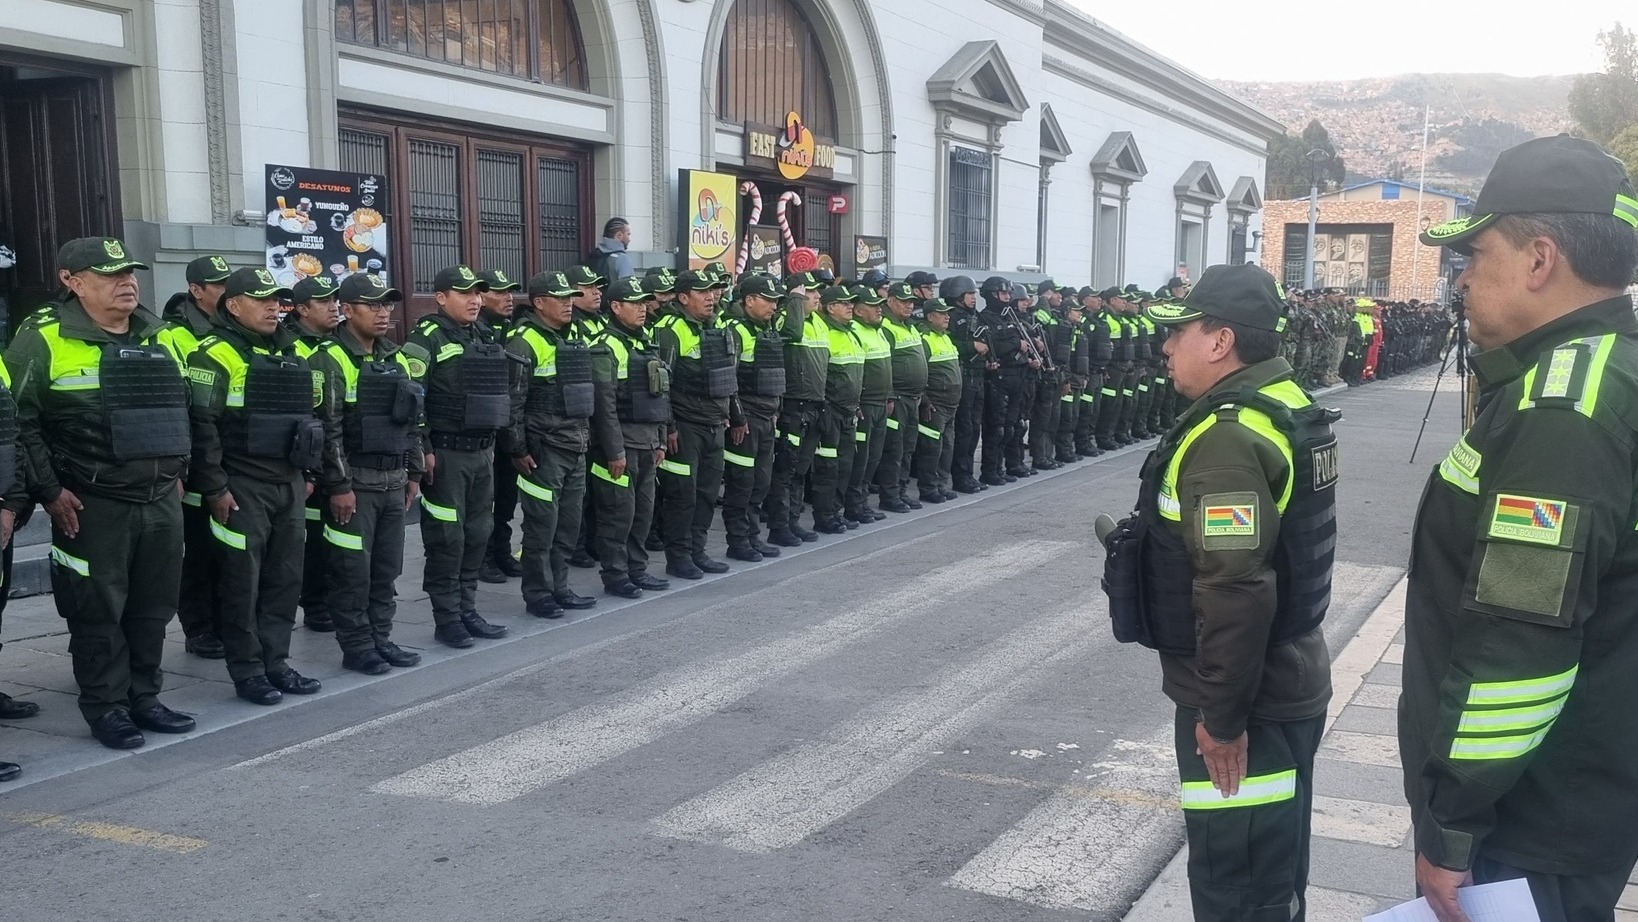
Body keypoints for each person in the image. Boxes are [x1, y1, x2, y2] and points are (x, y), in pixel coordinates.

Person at [1402, 136, 1638, 922]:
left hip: (1530, 822)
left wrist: (1454, 825)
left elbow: (1521, 642)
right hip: (1569, 796)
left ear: (1540, 260)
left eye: (1478, 253)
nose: (1463, 277)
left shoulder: (1563, 411)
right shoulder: (1602, 374)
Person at [1100, 262, 1337, 922]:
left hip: (1247, 698)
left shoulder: (1229, 437)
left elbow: (1235, 590)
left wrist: (1223, 720)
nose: (1166, 346)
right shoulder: (1284, 403)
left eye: (1179, 332)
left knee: (1239, 884)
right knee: (1272, 873)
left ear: (1220, 341)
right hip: (1286, 674)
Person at [7, 237, 194, 749]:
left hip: (158, 497)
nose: (127, 282)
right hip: (91, 502)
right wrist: (48, 491)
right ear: (72, 281)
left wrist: (181, 469)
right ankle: (105, 706)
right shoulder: (41, 339)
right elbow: (20, 423)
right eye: (110, 274)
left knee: (153, 605)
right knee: (96, 608)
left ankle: (145, 697)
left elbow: (189, 409)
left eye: (129, 272)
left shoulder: (163, 336)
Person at [188, 267, 326, 706]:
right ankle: (248, 670)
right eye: (263, 300)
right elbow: (201, 428)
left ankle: (276, 662)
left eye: (277, 300)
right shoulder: (213, 353)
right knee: (242, 584)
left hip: (287, 481)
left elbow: (308, 420)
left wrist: (307, 474)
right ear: (233, 305)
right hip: (241, 484)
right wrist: (215, 488)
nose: (274, 307)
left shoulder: (293, 351)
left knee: (285, 579)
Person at [310, 274, 424, 675]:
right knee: (351, 573)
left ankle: (381, 638)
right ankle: (358, 647)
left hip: (393, 482)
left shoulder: (394, 356)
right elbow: (329, 427)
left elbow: (409, 422)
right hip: (355, 485)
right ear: (348, 308)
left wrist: (414, 471)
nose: (382, 313)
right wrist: (339, 486)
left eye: (387, 305)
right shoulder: (330, 357)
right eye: (373, 305)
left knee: (386, 570)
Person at [401, 266, 511, 648]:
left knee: (478, 534)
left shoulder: (483, 334)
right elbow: (410, 400)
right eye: (464, 294)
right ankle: (447, 618)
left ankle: (467, 609)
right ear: (441, 297)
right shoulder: (425, 338)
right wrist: (424, 450)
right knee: (447, 538)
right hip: (446, 456)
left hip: (482, 452)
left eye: (478, 294)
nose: (475, 300)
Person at [504, 270, 615, 617]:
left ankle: (561, 587)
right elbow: (513, 402)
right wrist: (518, 449)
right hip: (544, 450)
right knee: (541, 526)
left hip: (576, 445)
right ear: (539, 303)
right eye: (561, 298)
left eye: (571, 297)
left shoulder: (572, 336)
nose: (569, 303)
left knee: (568, 525)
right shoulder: (523, 341)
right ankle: (538, 594)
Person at [158, 254, 233, 659]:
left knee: (230, 550)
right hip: (194, 460)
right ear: (196, 290)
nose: (226, 292)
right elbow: (176, 406)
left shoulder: (237, 331)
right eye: (218, 285)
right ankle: (200, 627)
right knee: (201, 551)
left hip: (232, 459)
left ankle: (228, 622)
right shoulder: (172, 336)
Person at [651, 270, 737, 579]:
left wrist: (731, 414)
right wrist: (669, 428)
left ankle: (697, 551)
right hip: (685, 428)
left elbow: (728, 376)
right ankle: (679, 557)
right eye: (703, 292)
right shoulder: (669, 330)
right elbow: (661, 386)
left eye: (713, 291)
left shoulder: (718, 327)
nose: (711, 297)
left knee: (706, 495)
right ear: (683, 297)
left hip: (715, 424)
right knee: (682, 496)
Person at [588, 278, 671, 598]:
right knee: (616, 515)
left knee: (642, 513)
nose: (642, 308)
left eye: (643, 303)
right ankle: (616, 574)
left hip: (648, 443)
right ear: (616, 307)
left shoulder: (644, 340)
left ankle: (637, 569)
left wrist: (661, 439)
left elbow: (660, 395)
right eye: (634, 303)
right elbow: (604, 406)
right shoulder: (605, 346)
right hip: (621, 447)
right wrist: (614, 452)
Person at [718, 274, 792, 561]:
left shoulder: (766, 330)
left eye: (776, 300)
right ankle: (738, 542)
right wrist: (737, 419)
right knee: (742, 483)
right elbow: (729, 381)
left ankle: (752, 536)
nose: (774, 306)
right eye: (769, 300)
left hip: (766, 417)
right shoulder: (735, 331)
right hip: (746, 420)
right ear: (749, 300)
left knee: (761, 481)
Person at [284, 275, 340, 634]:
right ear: (302, 310)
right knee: (314, 538)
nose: (334, 306)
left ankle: (330, 597)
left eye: (336, 300)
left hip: (335, 456)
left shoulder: (335, 345)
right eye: (325, 302)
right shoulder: (292, 348)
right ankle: (315, 602)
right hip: (306, 460)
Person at [764, 271, 828, 547]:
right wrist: (793, 299)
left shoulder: (819, 323)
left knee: (801, 468)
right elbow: (790, 332)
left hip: (814, 405)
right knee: (786, 469)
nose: (816, 296)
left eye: (816, 292)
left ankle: (792, 521)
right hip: (794, 405)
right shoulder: (786, 318)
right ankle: (779, 525)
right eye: (809, 292)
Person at [477, 268, 526, 584]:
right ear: (481, 297)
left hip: (508, 429)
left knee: (506, 498)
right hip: (485, 431)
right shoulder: (476, 331)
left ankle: (501, 551)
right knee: (486, 501)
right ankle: (484, 558)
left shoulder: (510, 331)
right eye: (500, 292)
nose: (509, 298)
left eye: (511, 292)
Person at [810, 285, 864, 534]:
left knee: (844, 465)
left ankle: (836, 512)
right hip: (831, 411)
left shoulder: (851, 332)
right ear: (831, 308)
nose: (850, 306)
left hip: (849, 411)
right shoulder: (827, 332)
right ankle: (824, 515)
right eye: (845, 303)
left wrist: (856, 405)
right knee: (828, 468)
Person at [877, 281, 928, 512]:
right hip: (897, 398)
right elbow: (885, 365)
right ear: (890, 301)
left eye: (911, 302)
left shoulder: (910, 326)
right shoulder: (886, 326)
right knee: (894, 450)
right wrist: (889, 395)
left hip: (913, 397)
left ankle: (901, 490)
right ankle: (890, 495)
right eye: (904, 301)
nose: (909, 306)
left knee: (908, 448)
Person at [845, 284, 893, 523]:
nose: (878, 310)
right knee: (860, 458)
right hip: (864, 406)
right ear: (859, 310)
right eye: (872, 307)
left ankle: (862, 501)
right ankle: (854, 505)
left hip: (880, 405)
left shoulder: (879, 330)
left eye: (879, 306)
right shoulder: (854, 330)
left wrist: (889, 396)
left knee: (873, 457)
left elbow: (886, 367)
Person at [913, 295, 963, 504]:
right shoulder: (924, 337)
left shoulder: (944, 336)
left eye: (947, 313)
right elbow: (919, 371)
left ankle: (941, 484)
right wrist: (924, 400)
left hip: (951, 404)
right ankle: (929, 488)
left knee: (947, 447)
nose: (947, 317)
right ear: (930, 316)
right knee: (931, 450)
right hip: (935, 405)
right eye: (942, 314)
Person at [589, 218, 635, 282]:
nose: (629, 239)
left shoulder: (593, 255)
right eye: (628, 234)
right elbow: (628, 288)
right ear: (619, 235)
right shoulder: (622, 259)